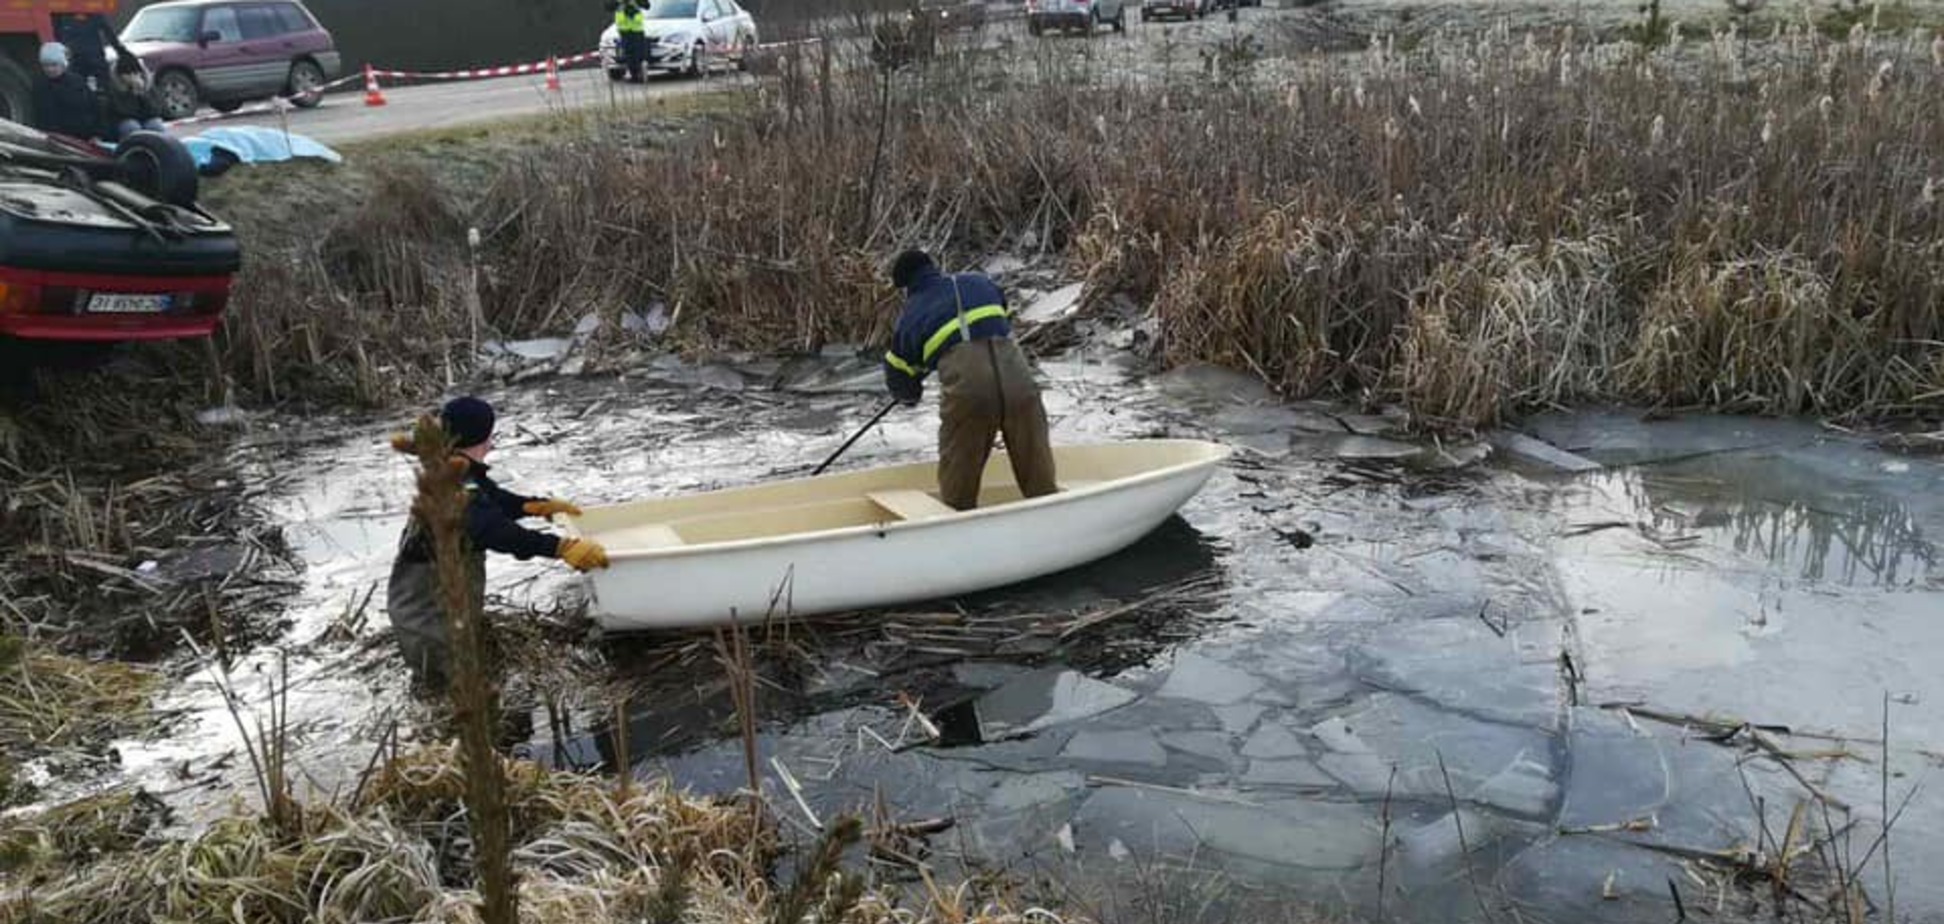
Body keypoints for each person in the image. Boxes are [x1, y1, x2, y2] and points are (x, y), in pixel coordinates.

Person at [386, 396, 610, 691]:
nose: (492, 443)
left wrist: (534, 506)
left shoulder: (455, 467)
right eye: (490, 435)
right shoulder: (455, 486)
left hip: (444, 602)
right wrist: (561, 548)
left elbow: (492, 498)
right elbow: (494, 531)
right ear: (479, 437)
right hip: (427, 614)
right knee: (451, 688)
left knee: (460, 670)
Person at [882, 250, 1057, 511]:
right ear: (934, 267)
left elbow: (899, 377)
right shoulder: (981, 282)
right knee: (1037, 467)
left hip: (970, 394)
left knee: (958, 477)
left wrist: (909, 393)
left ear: (906, 287)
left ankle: (958, 522)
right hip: (1020, 382)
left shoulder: (911, 314)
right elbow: (999, 320)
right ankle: (1051, 511)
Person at [31, 43, 104, 141]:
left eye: (54, 65)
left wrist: (97, 134)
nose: (50, 69)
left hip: (84, 137)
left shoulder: (77, 82)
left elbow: (94, 108)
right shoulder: (40, 86)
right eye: (46, 65)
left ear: (63, 64)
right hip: (56, 139)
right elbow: (41, 116)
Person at [52, 12, 133, 92]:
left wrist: (121, 51)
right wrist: (120, 50)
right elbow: (107, 30)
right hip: (84, 57)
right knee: (85, 87)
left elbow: (107, 30)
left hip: (88, 57)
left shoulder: (66, 14)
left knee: (95, 88)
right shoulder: (62, 15)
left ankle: (102, 95)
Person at [104, 62, 165, 140]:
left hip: (146, 118)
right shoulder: (113, 89)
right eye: (128, 73)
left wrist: (142, 93)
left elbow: (156, 110)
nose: (132, 76)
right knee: (132, 127)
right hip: (123, 121)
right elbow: (123, 111)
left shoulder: (148, 85)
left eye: (135, 72)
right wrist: (131, 94)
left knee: (155, 125)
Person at [606, 0, 649, 83]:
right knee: (629, 53)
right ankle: (634, 74)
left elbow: (647, 5)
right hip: (624, 29)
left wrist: (636, 3)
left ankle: (639, 73)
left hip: (637, 28)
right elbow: (608, 7)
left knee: (639, 53)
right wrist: (619, 4)